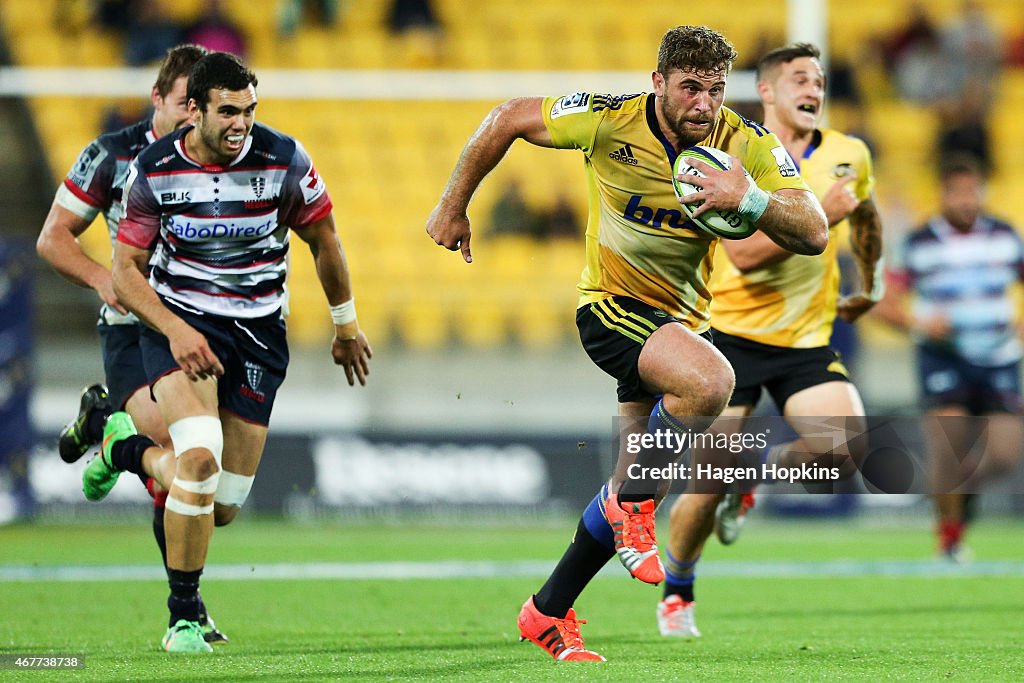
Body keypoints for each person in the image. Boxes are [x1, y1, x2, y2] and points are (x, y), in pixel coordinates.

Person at [427, 25, 828, 662]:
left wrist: (747, 197)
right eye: (691, 87)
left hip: (676, 327)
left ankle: (547, 611)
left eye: (716, 90)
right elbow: (507, 118)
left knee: (633, 485)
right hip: (611, 310)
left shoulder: (747, 143)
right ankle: (627, 506)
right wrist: (453, 206)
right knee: (710, 384)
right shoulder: (607, 119)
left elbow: (813, 232)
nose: (704, 103)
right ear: (658, 83)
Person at [89, 51, 372, 653]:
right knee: (197, 457)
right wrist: (173, 328)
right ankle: (183, 617)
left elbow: (324, 238)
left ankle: (124, 447)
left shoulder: (285, 159)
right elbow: (127, 270)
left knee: (222, 505)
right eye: (227, 111)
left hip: (257, 334)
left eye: (248, 109)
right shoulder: (153, 169)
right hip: (179, 324)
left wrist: (346, 325)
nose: (241, 123)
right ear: (193, 110)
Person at [657, 43, 885, 638]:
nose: (813, 89)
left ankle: (753, 474)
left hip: (807, 341)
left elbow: (865, 213)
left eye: (819, 80)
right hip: (730, 338)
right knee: (704, 488)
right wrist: (826, 216)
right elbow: (745, 254)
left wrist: (872, 276)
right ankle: (678, 594)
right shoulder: (734, 152)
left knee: (844, 453)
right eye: (800, 79)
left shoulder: (848, 153)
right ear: (767, 91)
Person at [35, 44, 230, 643]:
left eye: (200, 110)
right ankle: (187, 610)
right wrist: (103, 280)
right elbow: (53, 237)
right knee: (185, 456)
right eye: (182, 106)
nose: (192, 120)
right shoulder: (113, 155)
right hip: (130, 328)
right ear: (158, 99)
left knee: (201, 480)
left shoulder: (215, 159)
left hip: (193, 326)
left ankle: (111, 436)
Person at [873, 154, 1024, 562]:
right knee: (948, 447)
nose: (964, 200)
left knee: (1005, 456)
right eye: (956, 192)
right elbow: (881, 302)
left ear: (982, 192)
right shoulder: (919, 243)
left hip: (1000, 357)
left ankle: (959, 493)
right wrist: (919, 322)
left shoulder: (1005, 236)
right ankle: (950, 537)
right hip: (944, 358)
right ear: (942, 195)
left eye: (971, 191)